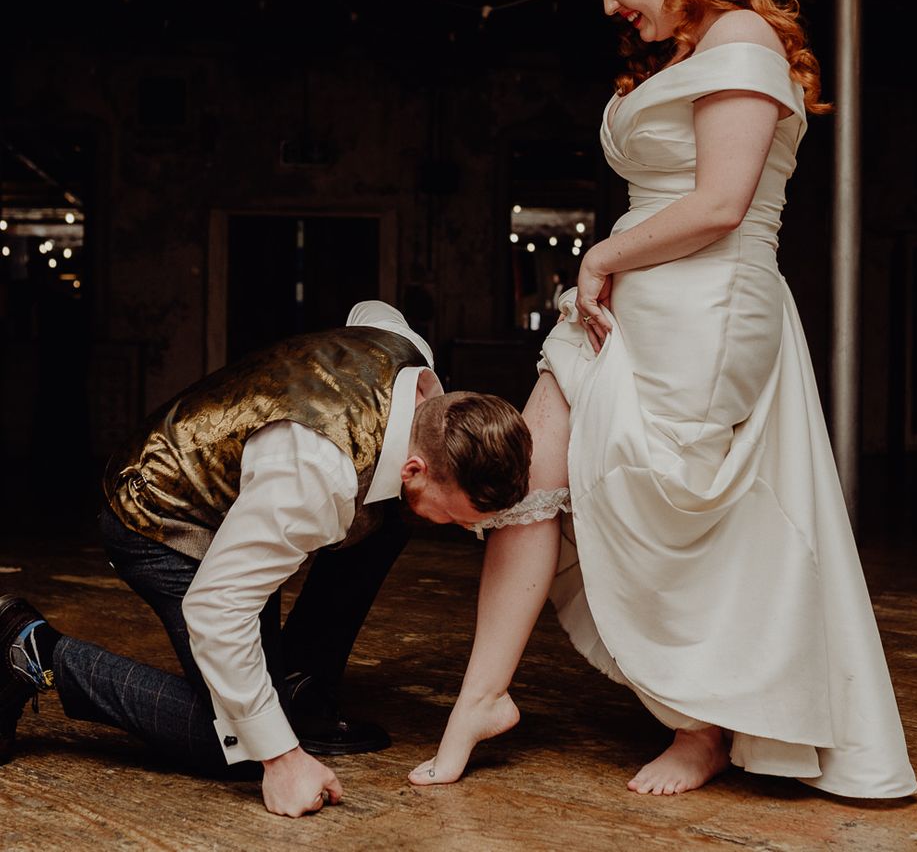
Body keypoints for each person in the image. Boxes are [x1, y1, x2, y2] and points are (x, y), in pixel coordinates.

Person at [408, 0, 917, 799]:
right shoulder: (690, 50)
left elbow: (722, 205)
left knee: (676, 522)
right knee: (531, 478)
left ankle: (703, 724)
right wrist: (608, 274)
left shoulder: (744, 41)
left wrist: (602, 254)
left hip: (707, 312)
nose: (610, 5)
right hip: (633, 301)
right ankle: (478, 702)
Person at [0, 300, 532, 817]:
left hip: (251, 500)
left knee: (390, 523)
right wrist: (281, 757)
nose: (469, 530)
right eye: (464, 516)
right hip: (163, 513)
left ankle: (297, 685)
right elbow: (216, 610)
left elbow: (373, 310)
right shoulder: (317, 476)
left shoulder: (410, 360)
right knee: (231, 742)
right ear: (415, 466)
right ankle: (31, 649)